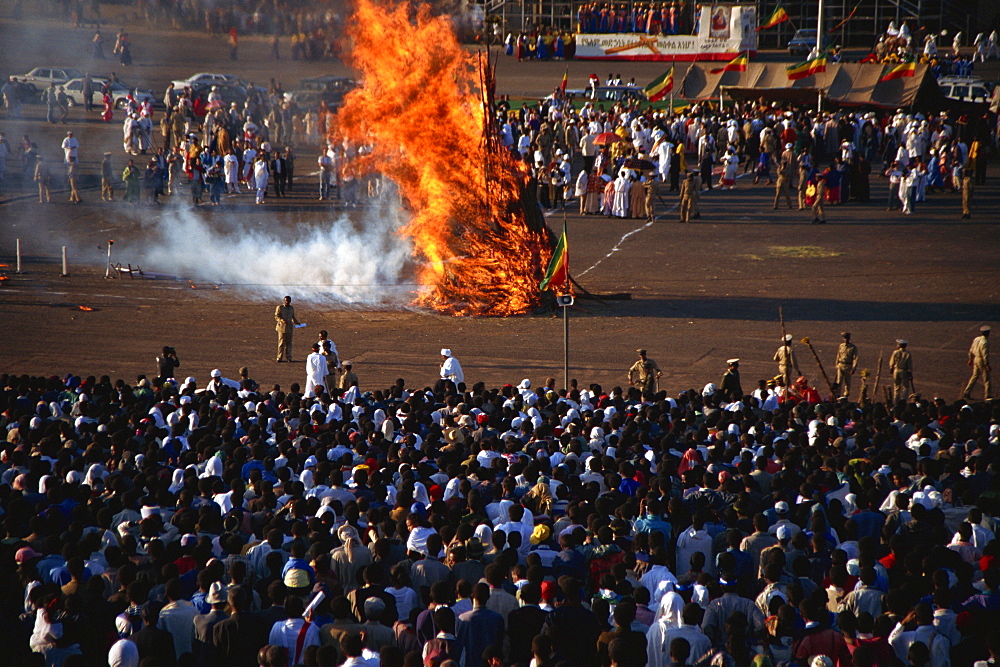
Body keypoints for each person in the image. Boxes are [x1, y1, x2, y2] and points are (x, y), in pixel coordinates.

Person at [962, 325, 992, 400]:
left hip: (975, 358)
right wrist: (987, 364)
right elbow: (985, 354)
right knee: (987, 379)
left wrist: (971, 359)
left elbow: (971, 350)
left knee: (974, 376)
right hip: (981, 360)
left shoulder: (976, 339)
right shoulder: (985, 342)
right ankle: (988, 395)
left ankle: (967, 392)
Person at [275, 296, 299, 362]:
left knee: (289, 343)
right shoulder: (280, 307)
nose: (287, 302)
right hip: (281, 328)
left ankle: (289, 357)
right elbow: (277, 316)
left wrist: (297, 322)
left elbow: (293, 317)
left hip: (289, 328)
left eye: (288, 301)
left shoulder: (291, 308)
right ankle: (279, 357)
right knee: (281, 343)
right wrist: (281, 320)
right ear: (284, 301)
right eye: (286, 300)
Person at [834, 332, 859, 399]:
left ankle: (846, 395)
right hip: (841, 365)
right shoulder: (841, 346)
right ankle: (838, 394)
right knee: (839, 381)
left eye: (847, 338)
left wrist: (854, 368)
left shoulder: (853, 347)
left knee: (847, 382)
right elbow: (838, 355)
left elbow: (855, 358)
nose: (846, 340)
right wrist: (837, 364)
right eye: (845, 338)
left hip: (848, 366)